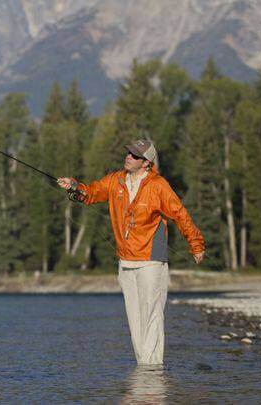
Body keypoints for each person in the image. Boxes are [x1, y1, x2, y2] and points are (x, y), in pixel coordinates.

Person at [57, 139, 205, 365]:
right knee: (135, 321)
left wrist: (196, 244)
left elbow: (180, 214)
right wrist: (75, 186)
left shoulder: (158, 185)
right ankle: (144, 371)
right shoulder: (115, 180)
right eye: (128, 152)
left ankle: (153, 372)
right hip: (125, 262)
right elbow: (92, 192)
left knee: (152, 317)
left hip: (151, 261)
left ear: (146, 163)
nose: (128, 157)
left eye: (135, 155)